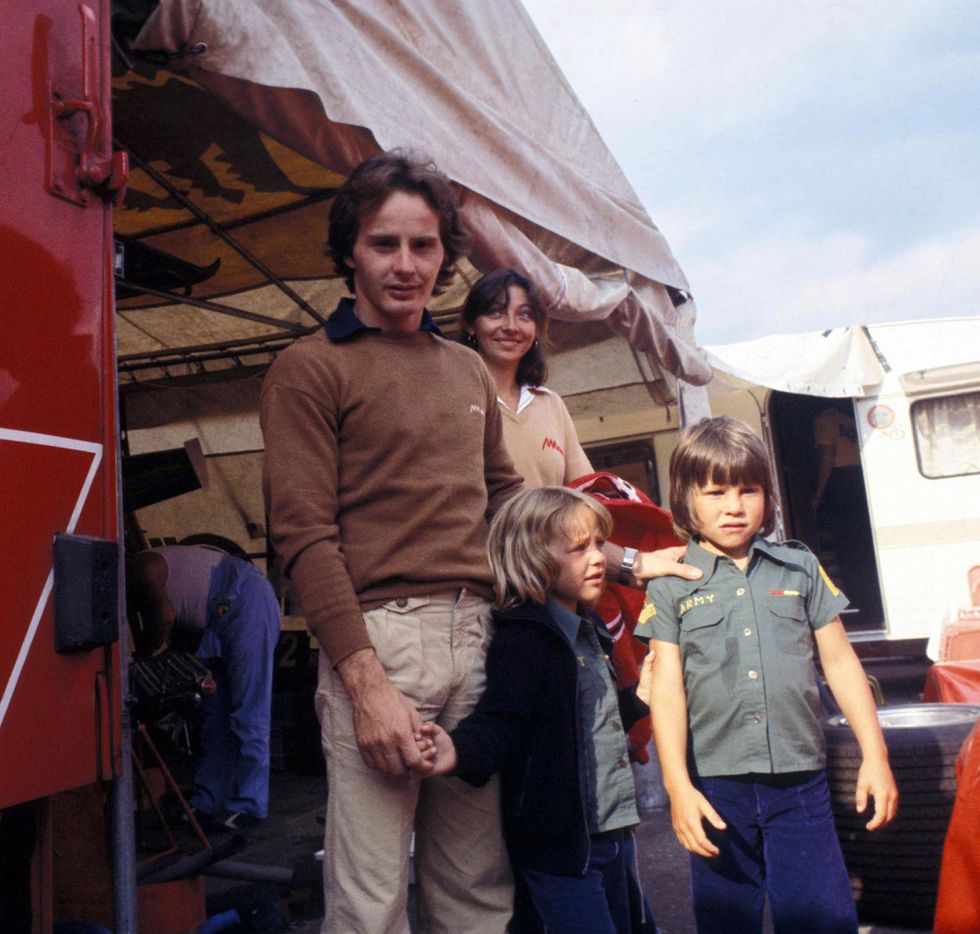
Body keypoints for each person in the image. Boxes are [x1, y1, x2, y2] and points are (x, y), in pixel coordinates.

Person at [259, 150, 523, 933]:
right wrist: (367, 686)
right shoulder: (308, 369)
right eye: (384, 243)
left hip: (477, 635)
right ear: (350, 250)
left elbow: (506, 499)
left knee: (477, 893)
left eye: (423, 244)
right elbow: (304, 537)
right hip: (380, 642)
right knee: (370, 906)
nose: (406, 264)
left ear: (445, 254)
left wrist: (607, 556)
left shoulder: (468, 370)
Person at [636, 416, 898, 934]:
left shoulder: (799, 567)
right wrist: (677, 786)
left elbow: (841, 662)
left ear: (767, 495)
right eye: (715, 492)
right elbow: (666, 689)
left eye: (748, 490)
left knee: (822, 919)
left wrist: (876, 755)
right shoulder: (670, 585)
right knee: (727, 922)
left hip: (800, 783)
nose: (734, 506)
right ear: (686, 498)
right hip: (715, 789)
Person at [416, 487, 652, 934]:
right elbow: (504, 721)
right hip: (561, 847)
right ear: (533, 558)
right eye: (579, 548)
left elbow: (587, 721)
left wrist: (640, 696)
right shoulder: (526, 639)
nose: (598, 558)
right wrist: (457, 750)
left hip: (612, 831)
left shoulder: (591, 627)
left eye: (599, 544)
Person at [126, 543, 280, 830]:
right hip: (213, 618)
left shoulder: (140, 567)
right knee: (215, 716)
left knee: (248, 709)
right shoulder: (134, 580)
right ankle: (209, 801)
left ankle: (250, 805)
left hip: (244, 598)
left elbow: (165, 618)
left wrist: (143, 658)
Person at [460, 267, 591, 487]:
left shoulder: (550, 404)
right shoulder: (455, 399)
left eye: (524, 315)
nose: (511, 326)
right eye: (495, 312)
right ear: (471, 325)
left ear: (536, 329)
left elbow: (586, 489)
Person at [810, 402, 883, 625]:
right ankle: (874, 603)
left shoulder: (825, 419)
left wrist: (818, 493)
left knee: (848, 549)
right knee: (866, 547)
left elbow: (827, 458)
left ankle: (863, 605)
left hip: (842, 481)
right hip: (860, 478)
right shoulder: (851, 417)